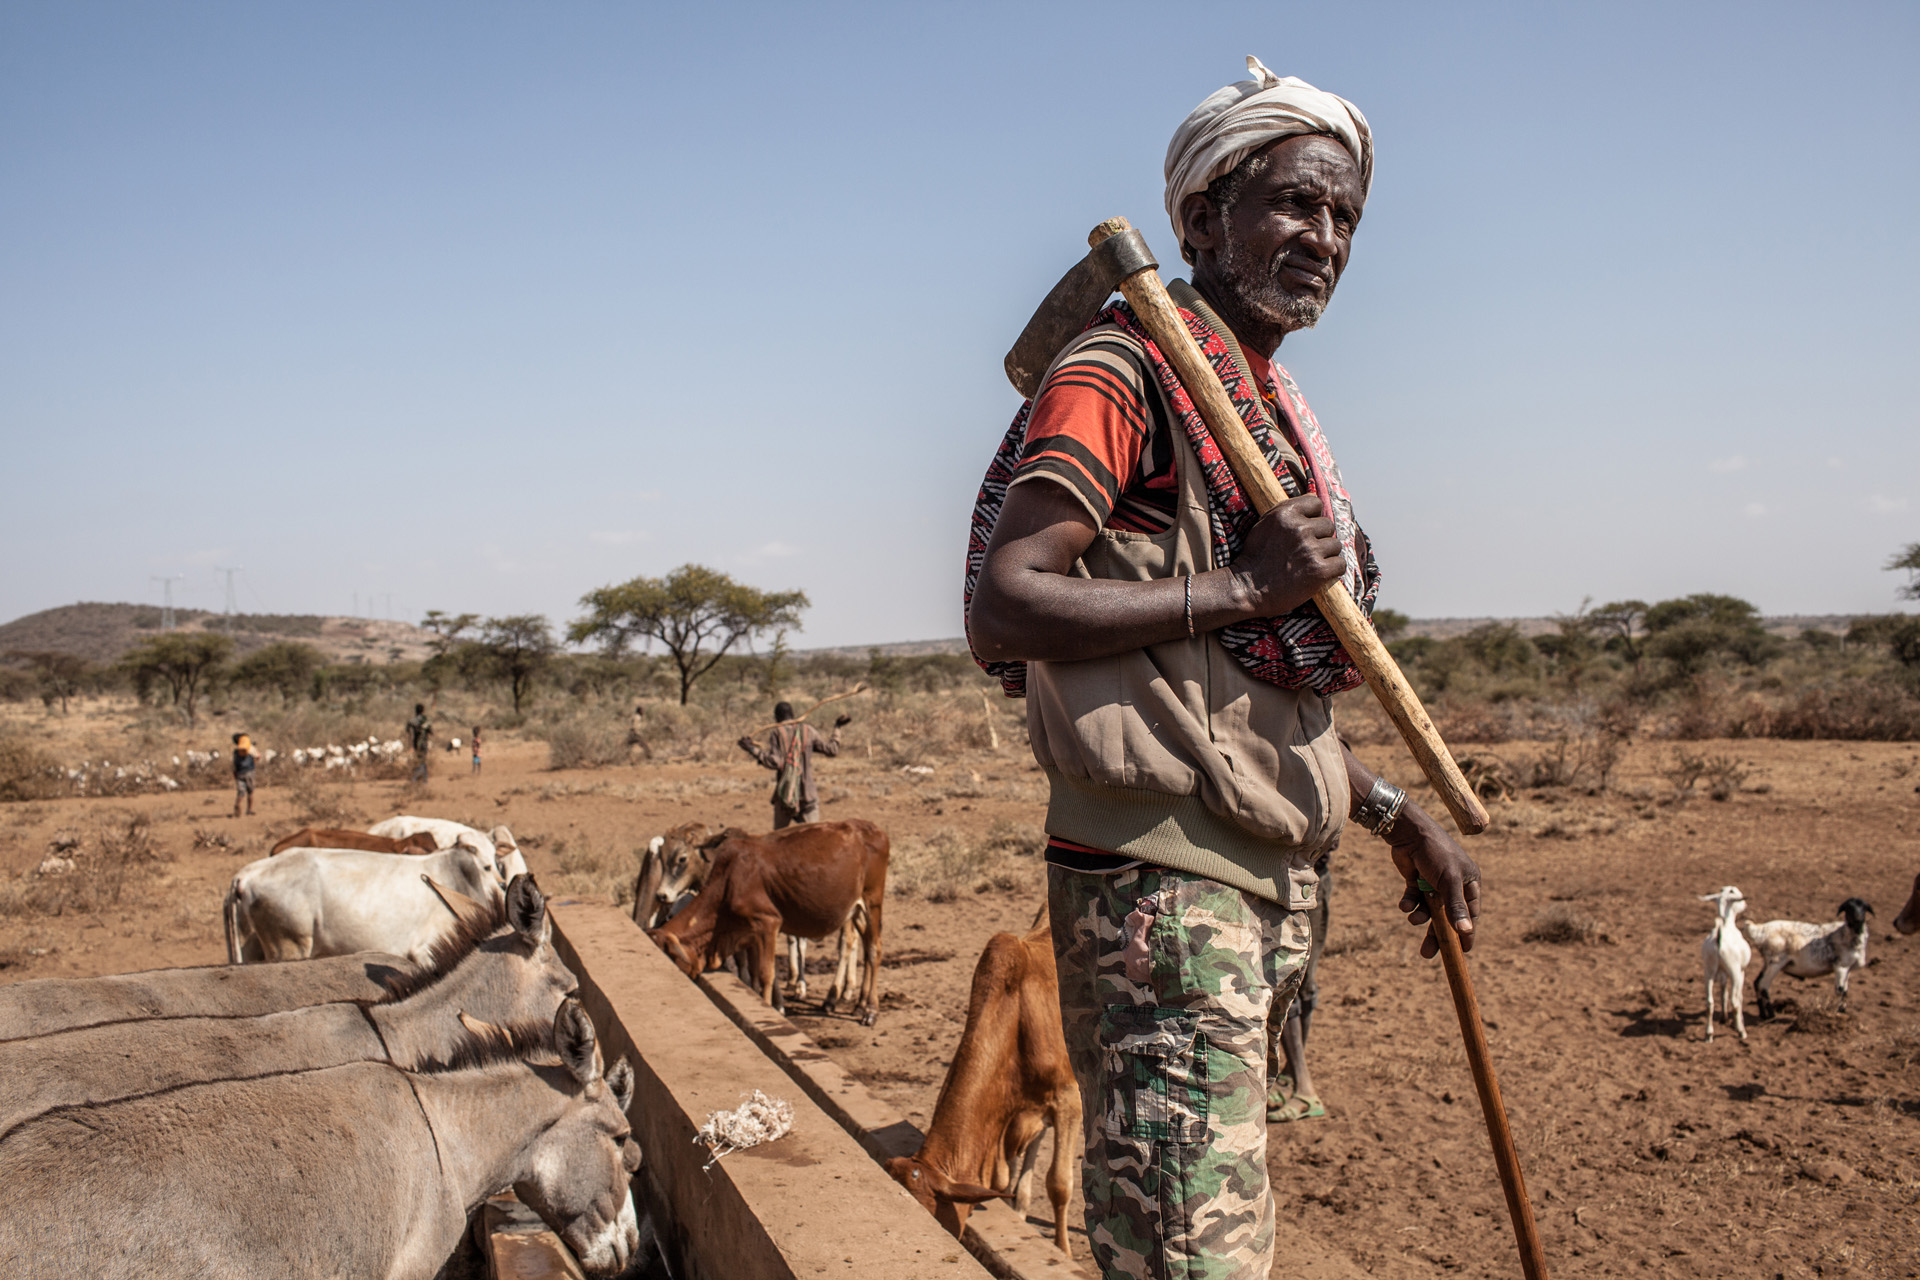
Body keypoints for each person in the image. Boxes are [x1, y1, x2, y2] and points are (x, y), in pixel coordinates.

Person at [966, 57, 1482, 1280]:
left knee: (1219, 1242)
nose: (1326, 237)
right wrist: (1247, 585)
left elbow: (1243, 697)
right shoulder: (1122, 371)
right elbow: (1006, 600)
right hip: (1162, 896)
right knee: (1190, 1257)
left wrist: (1390, 809)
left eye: (1345, 214)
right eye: (1295, 202)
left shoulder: (1264, 404)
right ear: (1202, 216)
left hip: (1259, 887)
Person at [1266, 850, 1330, 1122]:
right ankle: (1296, 1080)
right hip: (1281, 876)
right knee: (1288, 982)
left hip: (1308, 876)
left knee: (1299, 983)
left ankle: (1300, 1084)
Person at [736, 702, 852, 828]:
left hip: (785, 796)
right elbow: (832, 750)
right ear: (793, 714)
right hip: (808, 796)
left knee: (779, 837)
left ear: (776, 717)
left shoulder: (777, 733)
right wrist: (837, 726)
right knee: (813, 836)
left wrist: (752, 749)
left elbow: (775, 762)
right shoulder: (808, 730)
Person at [230, 732, 260, 818]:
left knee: (241, 792)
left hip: (239, 773)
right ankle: (249, 810)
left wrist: (235, 773)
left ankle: (237, 804)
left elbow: (234, 764)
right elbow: (258, 756)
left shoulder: (236, 752)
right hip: (249, 772)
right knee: (250, 792)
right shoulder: (250, 748)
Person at [406, 703, 432, 783]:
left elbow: (411, 735)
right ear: (423, 711)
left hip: (416, 745)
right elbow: (430, 732)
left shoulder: (412, 722)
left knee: (420, 761)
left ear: (415, 711)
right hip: (424, 744)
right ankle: (422, 780)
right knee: (422, 761)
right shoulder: (425, 721)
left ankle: (417, 779)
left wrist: (411, 746)